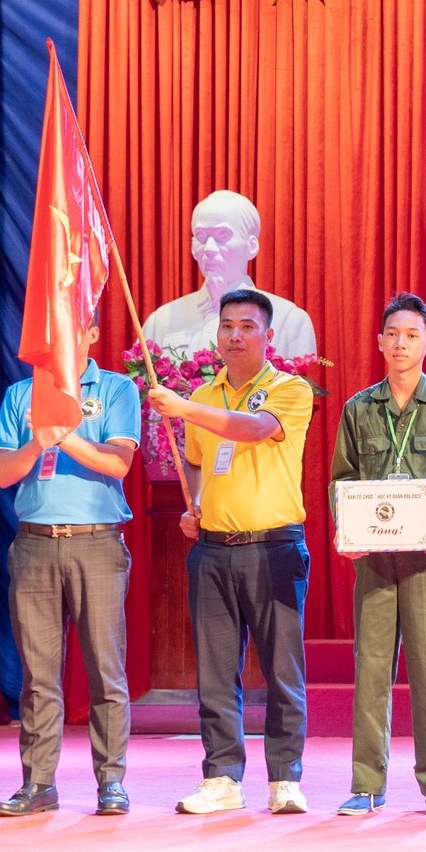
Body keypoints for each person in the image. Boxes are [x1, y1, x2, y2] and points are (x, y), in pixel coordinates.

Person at [145, 288, 315, 816]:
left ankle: (285, 778)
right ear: (216, 334)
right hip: (213, 550)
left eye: (247, 326)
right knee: (216, 672)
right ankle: (221, 777)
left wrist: (184, 407)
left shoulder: (290, 389)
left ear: (268, 336)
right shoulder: (206, 392)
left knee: (282, 670)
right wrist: (195, 504)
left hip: (274, 547)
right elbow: (198, 461)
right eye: (227, 326)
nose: (235, 335)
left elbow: (256, 430)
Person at [332, 292, 426, 818]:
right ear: (379, 342)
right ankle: (366, 784)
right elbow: (342, 481)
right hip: (375, 557)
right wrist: (346, 528)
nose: (401, 343)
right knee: (371, 668)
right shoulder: (358, 409)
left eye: (412, 335)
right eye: (393, 334)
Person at [0, 324, 141, 817]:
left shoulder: (115, 388)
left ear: (91, 331)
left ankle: (111, 782)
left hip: (96, 543)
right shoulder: (21, 393)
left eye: (71, 328)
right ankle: (38, 784)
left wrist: (64, 434)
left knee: (105, 670)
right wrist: (38, 442)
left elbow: (118, 464)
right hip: (34, 543)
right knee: (38, 677)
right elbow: (2, 473)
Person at [141, 189, 319, 360]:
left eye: (222, 236)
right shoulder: (161, 321)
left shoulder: (290, 321)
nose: (209, 248)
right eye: (201, 237)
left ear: (251, 246)